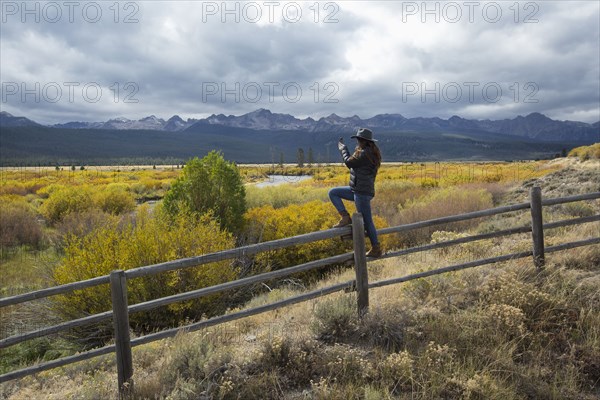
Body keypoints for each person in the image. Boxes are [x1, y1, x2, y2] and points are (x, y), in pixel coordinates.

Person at [329, 127, 382, 258]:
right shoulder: (367, 151)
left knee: (367, 221)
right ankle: (345, 217)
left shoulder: (365, 153)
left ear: (364, 141)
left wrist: (343, 149)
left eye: (359, 139)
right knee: (333, 192)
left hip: (362, 193)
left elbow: (348, 163)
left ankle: (376, 248)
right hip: (357, 190)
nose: (357, 141)